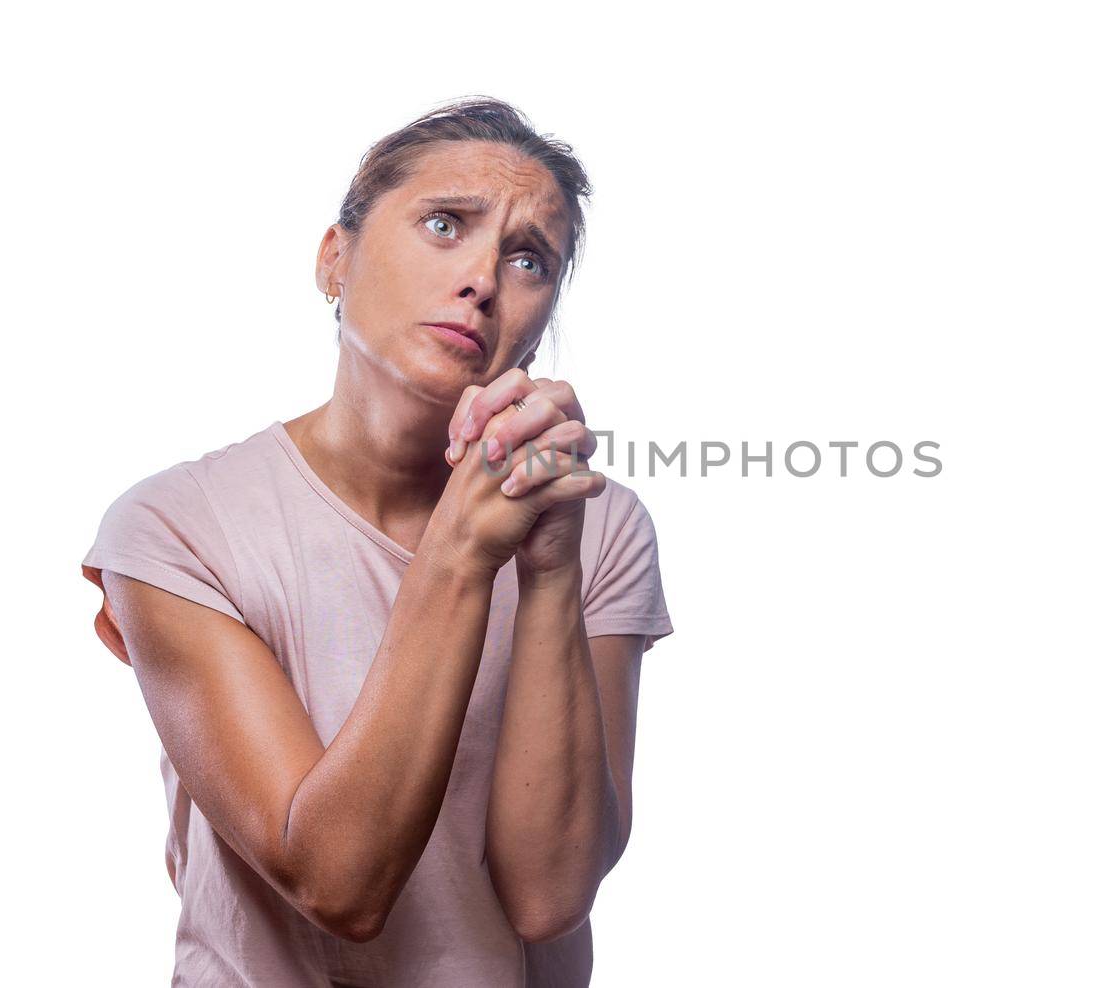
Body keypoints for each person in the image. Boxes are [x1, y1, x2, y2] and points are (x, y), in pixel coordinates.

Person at [80, 97, 675, 987]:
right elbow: (337, 884)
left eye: (528, 259)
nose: (482, 278)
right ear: (336, 258)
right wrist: (464, 550)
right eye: (444, 223)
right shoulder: (176, 528)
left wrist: (550, 568)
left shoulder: (598, 524)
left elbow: (549, 898)